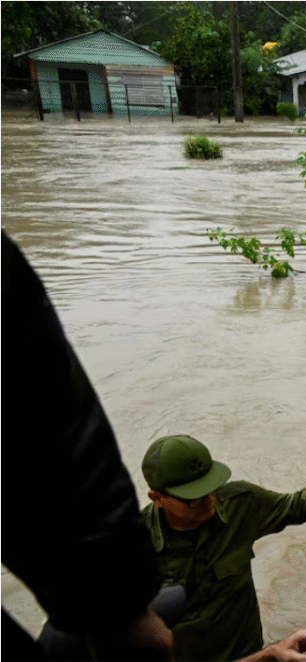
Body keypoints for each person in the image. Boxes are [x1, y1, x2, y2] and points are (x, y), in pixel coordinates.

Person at [1, 231, 172, 661]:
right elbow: (45, 425)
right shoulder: (153, 531)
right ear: (158, 497)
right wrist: (119, 609)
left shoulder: (239, 507)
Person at [140, 434, 306, 661]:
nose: (210, 500)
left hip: (250, 652)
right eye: (195, 498)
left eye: (211, 489)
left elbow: (298, 506)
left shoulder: (239, 504)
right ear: (157, 498)